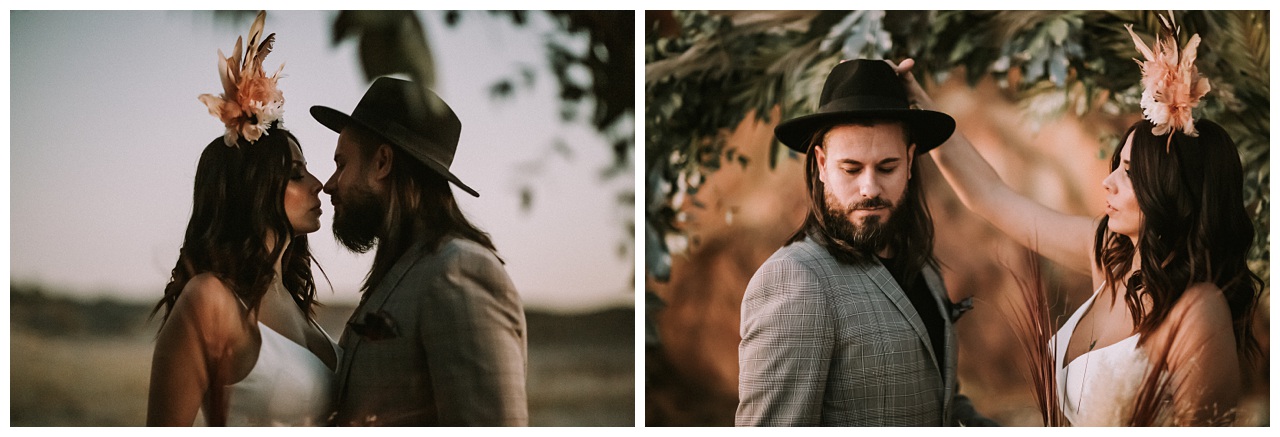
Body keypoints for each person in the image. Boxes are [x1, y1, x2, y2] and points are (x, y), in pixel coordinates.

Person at [891, 19, 1262, 426]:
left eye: (1131, 173)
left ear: (1175, 194)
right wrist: (918, 104)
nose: (1109, 182)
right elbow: (990, 196)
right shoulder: (1108, 256)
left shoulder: (1197, 309)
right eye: (1117, 166)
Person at [736, 59, 994, 427]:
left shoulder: (921, 266)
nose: (870, 188)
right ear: (822, 165)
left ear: (909, 162)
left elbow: (944, 405)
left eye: (886, 167)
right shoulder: (794, 281)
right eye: (851, 169)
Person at [148, 11, 338, 426]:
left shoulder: (289, 295)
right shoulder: (209, 300)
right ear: (252, 190)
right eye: (295, 174)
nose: (318, 184)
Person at [311, 77, 528, 426]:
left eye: (342, 164)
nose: (329, 184)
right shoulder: (400, 273)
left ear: (382, 162)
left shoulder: (459, 270)